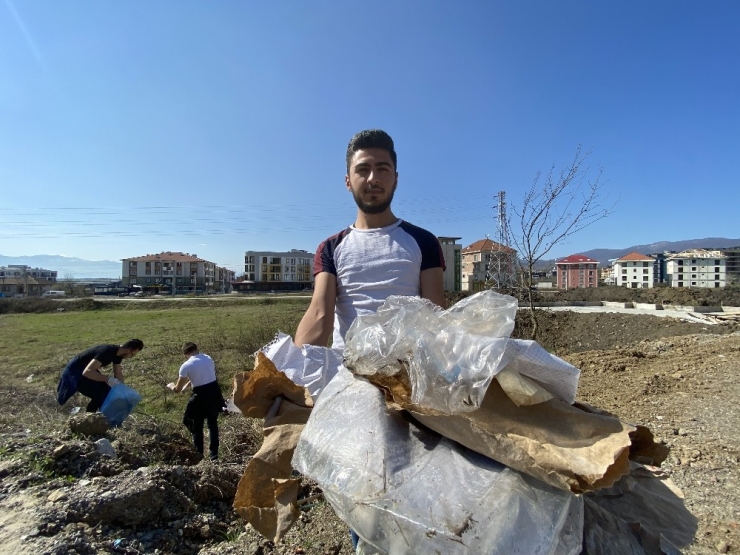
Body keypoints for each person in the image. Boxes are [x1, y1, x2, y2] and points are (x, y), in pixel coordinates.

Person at [294, 128, 446, 350]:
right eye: (363, 170)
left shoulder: (424, 242)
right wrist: (293, 369)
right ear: (348, 181)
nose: (373, 179)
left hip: (406, 371)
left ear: (395, 179)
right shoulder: (329, 248)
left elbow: (435, 318)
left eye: (382, 169)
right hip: (347, 372)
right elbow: (319, 315)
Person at [168, 342, 225, 461]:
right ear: (197, 349)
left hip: (200, 395)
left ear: (185, 354)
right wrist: (188, 385)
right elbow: (202, 375)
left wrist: (171, 386)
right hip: (214, 392)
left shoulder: (186, 365)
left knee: (193, 423)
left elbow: (177, 389)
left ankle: (198, 454)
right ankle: (214, 455)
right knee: (212, 424)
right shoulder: (208, 358)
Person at [56, 339, 144, 412]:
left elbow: (118, 373)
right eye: (132, 354)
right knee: (100, 395)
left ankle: (98, 418)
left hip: (87, 371)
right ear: (128, 350)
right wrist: (108, 379)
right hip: (76, 373)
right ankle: (89, 418)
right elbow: (88, 371)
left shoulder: (118, 355)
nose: (131, 357)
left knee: (107, 392)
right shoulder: (106, 352)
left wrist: (122, 389)